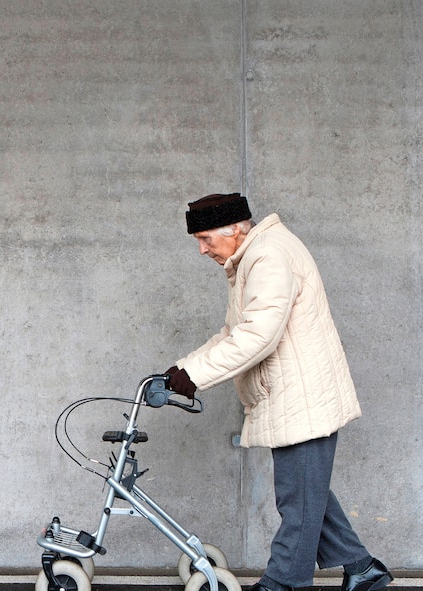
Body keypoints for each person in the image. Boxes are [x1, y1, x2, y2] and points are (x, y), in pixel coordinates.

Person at [163, 193, 392, 591]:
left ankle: (284, 583)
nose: (201, 250)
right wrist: (184, 368)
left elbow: (258, 337)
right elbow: (236, 331)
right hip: (295, 394)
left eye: (205, 239)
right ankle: (362, 567)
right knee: (306, 491)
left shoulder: (267, 256)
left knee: (297, 499)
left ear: (233, 229)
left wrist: (197, 375)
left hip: (301, 396)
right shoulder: (255, 255)